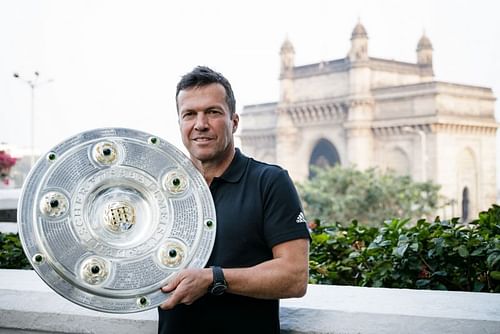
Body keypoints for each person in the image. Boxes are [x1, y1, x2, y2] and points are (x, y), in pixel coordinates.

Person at [158, 66, 310, 333]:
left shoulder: (269, 182)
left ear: (234, 122)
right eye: (189, 114)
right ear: (180, 123)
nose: (200, 124)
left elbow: (294, 276)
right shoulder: (163, 190)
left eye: (213, 112)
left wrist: (213, 278)